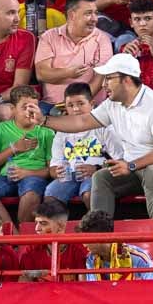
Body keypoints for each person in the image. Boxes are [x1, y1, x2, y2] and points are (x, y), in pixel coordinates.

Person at [38, 53, 153, 225]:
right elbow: (82, 121)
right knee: (101, 177)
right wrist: (44, 120)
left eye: (109, 78)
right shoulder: (112, 103)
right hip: (134, 164)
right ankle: (100, 235)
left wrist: (130, 165)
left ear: (127, 80)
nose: (103, 84)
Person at [42, 82, 121, 220]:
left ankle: (99, 229)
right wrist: (58, 172)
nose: (76, 109)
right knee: (51, 194)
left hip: (95, 175)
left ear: (92, 104)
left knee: (89, 194)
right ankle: (58, 237)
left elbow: (119, 160)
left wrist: (96, 169)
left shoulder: (103, 127)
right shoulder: (61, 132)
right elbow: (53, 168)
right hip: (69, 175)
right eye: (70, 105)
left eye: (80, 103)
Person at [0, 86, 54, 224]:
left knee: (31, 195)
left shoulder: (47, 132)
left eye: (34, 107)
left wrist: (27, 173)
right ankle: (12, 234)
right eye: (24, 107)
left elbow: (51, 171)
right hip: (6, 177)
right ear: (13, 109)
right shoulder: (2, 129)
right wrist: (14, 148)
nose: (29, 112)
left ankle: (23, 237)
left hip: (33, 176)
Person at [35, 0, 111, 108]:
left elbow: (100, 80)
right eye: (88, 13)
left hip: (89, 106)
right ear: (72, 15)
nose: (95, 19)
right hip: (52, 105)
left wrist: (74, 105)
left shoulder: (102, 39)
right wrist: (68, 73)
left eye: (96, 13)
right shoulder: (49, 37)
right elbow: (42, 74)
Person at [17, 198, 87, 282]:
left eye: (43, 223)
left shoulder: (79, 251)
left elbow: (83, 288)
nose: (37, 229)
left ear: (61, 226)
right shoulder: (30, 251)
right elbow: (24, 287)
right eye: (36, 223)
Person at [79, 210, 153, 281]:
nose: (84, 245)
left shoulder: (138, 257)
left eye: (87, 239)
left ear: (101, 238)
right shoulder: (90, 259)